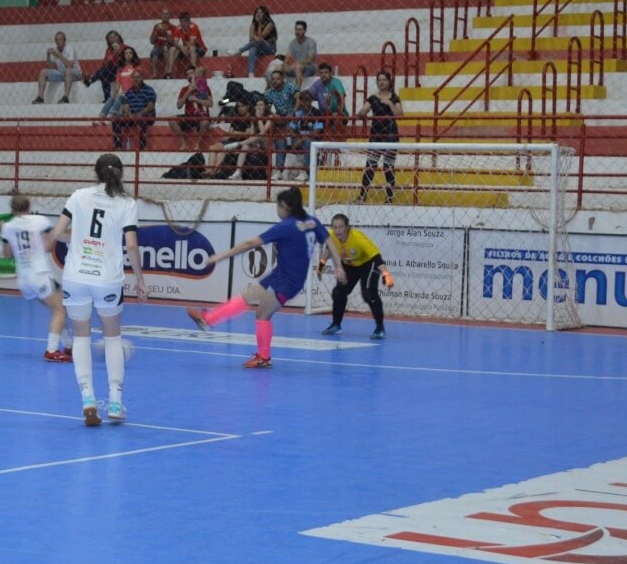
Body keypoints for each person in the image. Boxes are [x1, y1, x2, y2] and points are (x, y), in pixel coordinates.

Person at [187, 187, 345, 369]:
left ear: (285, 206)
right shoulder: (312, 222)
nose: (277, 210)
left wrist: (220, 256)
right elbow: (330, 242)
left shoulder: (286, 227)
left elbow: (250, 243)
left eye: (278, 206)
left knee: (262, 314)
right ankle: (208, 319)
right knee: (247, 296)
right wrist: (339, 267)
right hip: (281, 274)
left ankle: (263, 357)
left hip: (287, 282)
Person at [49, 154, 148, 425]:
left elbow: (56, 234)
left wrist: (77, 239)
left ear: (96, 173)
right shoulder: (126, 203)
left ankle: (88, 399)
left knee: (81, 338)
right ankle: (115, 402)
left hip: (75, 276)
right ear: (121, 174)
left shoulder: (78, 196)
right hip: (107, 279)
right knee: (113, 338)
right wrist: (140, 280)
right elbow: (131, 245)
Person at [0, 194, 73, 362]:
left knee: (57, 308)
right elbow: (48, 246)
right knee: (60, 311)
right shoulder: (40, 221)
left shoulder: (7, 227)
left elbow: (7, 254)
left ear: (12, 209)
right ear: (29, 207)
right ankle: (52, 350)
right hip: (40, 274)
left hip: (24, 279)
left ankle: (69, 345)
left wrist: (3, 232)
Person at [317, 213, 394, 339]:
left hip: (368, 264)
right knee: (338, 292)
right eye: (335, 227)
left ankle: (380, 329)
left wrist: (386, 274)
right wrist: (320, 267)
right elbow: (328, 251)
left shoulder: (358, 238)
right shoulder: (331, 236)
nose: (338, 230)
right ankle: (336, 325)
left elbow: (376, 258)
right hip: (350, 265)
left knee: (368, 294)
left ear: (347, 227)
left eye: (341, 227)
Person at [356, 70, 404, 203]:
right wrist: (361, 112)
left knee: (388, 167)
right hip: (375, 135)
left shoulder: (395, 98)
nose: (381, 82)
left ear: (389, 82)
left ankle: (389, 198)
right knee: (370, 166)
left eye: (384, 80)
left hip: (391, 135)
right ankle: (362, 196)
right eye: (379, 80)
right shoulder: (372, 98)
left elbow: (400, 115)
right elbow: (362, 112)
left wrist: (389, 103)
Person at [168, 65, 213, 151]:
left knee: (205, 122)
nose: (190, 75)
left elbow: (210, 104)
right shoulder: (184, 89)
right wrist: (189, 91)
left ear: (196, 74)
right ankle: (184, 144)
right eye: (187, 74)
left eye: (192, 73)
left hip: (201, 116)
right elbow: (179, 105)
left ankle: (197, 144)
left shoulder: (205, 87)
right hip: (189, 116)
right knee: (171, 120)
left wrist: (196, 99)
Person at [112, 72, 156, 151]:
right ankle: (118, 146)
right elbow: (126, 105)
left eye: (138, 77)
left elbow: (150, 107)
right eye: (134, 77)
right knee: (116, 119)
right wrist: (126, 113)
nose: (136, 79)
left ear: (142, 78)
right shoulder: (129, 91)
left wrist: (137, 114)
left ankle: (143, 146)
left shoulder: (149, 90)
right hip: (133, 115)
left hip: (146, 115)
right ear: (132, 79)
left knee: (142, 118)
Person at [33, 32, 81, 104]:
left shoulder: (69, 49)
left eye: (60, 39)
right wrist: (48, 56)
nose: (58, 41)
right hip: (61, 73)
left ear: (64, 40)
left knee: (68, 70)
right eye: (56, 40)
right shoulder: (55, 50)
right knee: (43, 72)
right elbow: (50, 67)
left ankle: (66, 97)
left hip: (74, 73)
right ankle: (40, 97)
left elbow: (70, 66)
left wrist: (60, 55)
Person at [82, 30, 129, 102]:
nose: (113, 39)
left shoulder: (125, 47)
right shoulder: (109, 50)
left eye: (114, 37)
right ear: (108, 40)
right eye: (110, 38)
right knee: (104, 75)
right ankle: (107, 99)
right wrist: (109, 59)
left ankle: (91, 80)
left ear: (118, 37)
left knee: (107, 69)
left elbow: (124, 62)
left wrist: (116, 53)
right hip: (109, 71)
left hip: (121, 69)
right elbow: (104, 63)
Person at [99, 46, 141, 120]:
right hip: (123, 94)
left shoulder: (136, 67)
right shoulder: (120, 68)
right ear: (123, 55)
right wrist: (114, 94)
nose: (128, 55)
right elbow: (118, 82)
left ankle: (111, 117)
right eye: (126, 53)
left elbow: (139, 82)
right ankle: (100, 119)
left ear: (133, 55)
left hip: (134, 93)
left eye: (130, 53)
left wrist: (127, 92)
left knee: (119, 96)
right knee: (111, 98)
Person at [237, 6, 278, 77]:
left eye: (261, 13)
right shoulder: (253, 24)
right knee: (252, 49)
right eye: (257, 13)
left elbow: (260, 38)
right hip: (259, 48)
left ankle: (240, 50)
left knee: (258, 42)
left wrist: (259, 24)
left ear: (265, 14)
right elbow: (251, 39)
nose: (258, 14)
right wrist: (255, 37)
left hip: (270, 48)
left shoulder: (270, 24)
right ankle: (251, 73)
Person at [166, 11, 207, 77]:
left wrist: (182, 47)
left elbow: (192, 43)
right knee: (172, 49)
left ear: (189, 21)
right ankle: (169, 73)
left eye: (184, 22)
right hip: (185, 48)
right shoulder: (179, 28)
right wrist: (181, 47)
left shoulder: (193, 27)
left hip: (200, 48)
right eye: (181, 22)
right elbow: (175, 43)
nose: (183, 24)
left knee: (192, 48)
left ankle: (194, 70)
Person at [285, 20, 318, 88]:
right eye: (296, 29)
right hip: (295, 67)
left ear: (305, 31)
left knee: (298, 66)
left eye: (300, 30)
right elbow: (287, 57)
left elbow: (309, 59)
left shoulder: (311, 42)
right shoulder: (292, 42)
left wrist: (295, 64)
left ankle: (297, 91)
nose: (297, 32)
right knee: (278, 68)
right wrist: (284, 65)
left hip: (309, 68)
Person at [149, 9, 175, 77]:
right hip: (158, 47)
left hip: (168, 47)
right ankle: (154, 74)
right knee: (155, 52)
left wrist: (165, 33)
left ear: (169, 16)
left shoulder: (173, 27)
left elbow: (172, 42)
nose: (165, 16)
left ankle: (166, 72)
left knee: (166, 48)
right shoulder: (157, 26)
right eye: (163, 14)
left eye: (166, 14)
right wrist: (157, 32)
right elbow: (152, 41)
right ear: (161, 16)